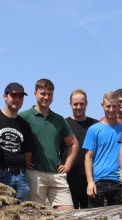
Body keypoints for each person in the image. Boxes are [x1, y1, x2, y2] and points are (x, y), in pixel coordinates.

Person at [20, 78, 78, 210]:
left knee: (69, 215)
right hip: (35, 174)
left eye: (49, 94)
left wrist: (67, 165)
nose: (46, 97)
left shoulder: (59, 119)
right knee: (36, 217)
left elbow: (74, 144)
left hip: (56, 174)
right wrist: (24, 160)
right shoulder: (24, 117)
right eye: (43, 93)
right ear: (35, 94)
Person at [0, 82, 34, 201]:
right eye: (13, 95)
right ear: (5, 96)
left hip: (21, 176)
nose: (17, 99)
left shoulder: (25, 125)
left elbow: (28, 151)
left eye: (20, 96)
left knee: (22, 210)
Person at [84, 91, 122, 207]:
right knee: (95, 216)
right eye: (108, 106)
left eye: (114, 106)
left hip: (118, 183)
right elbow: (88, 157)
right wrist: (90, 181)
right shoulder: (93, 129)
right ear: (102, 105)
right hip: (98, 183)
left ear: (119, 106)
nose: (111, 110)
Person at [65, 90, 98, 209]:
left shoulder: (95, 125)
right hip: (68, 179)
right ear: (70, 104)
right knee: (69, 217)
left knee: (90, 216)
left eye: (81, 104)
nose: (78, 107)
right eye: (75, 104)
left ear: (86, 103)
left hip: (90, 180)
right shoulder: (64, 124)